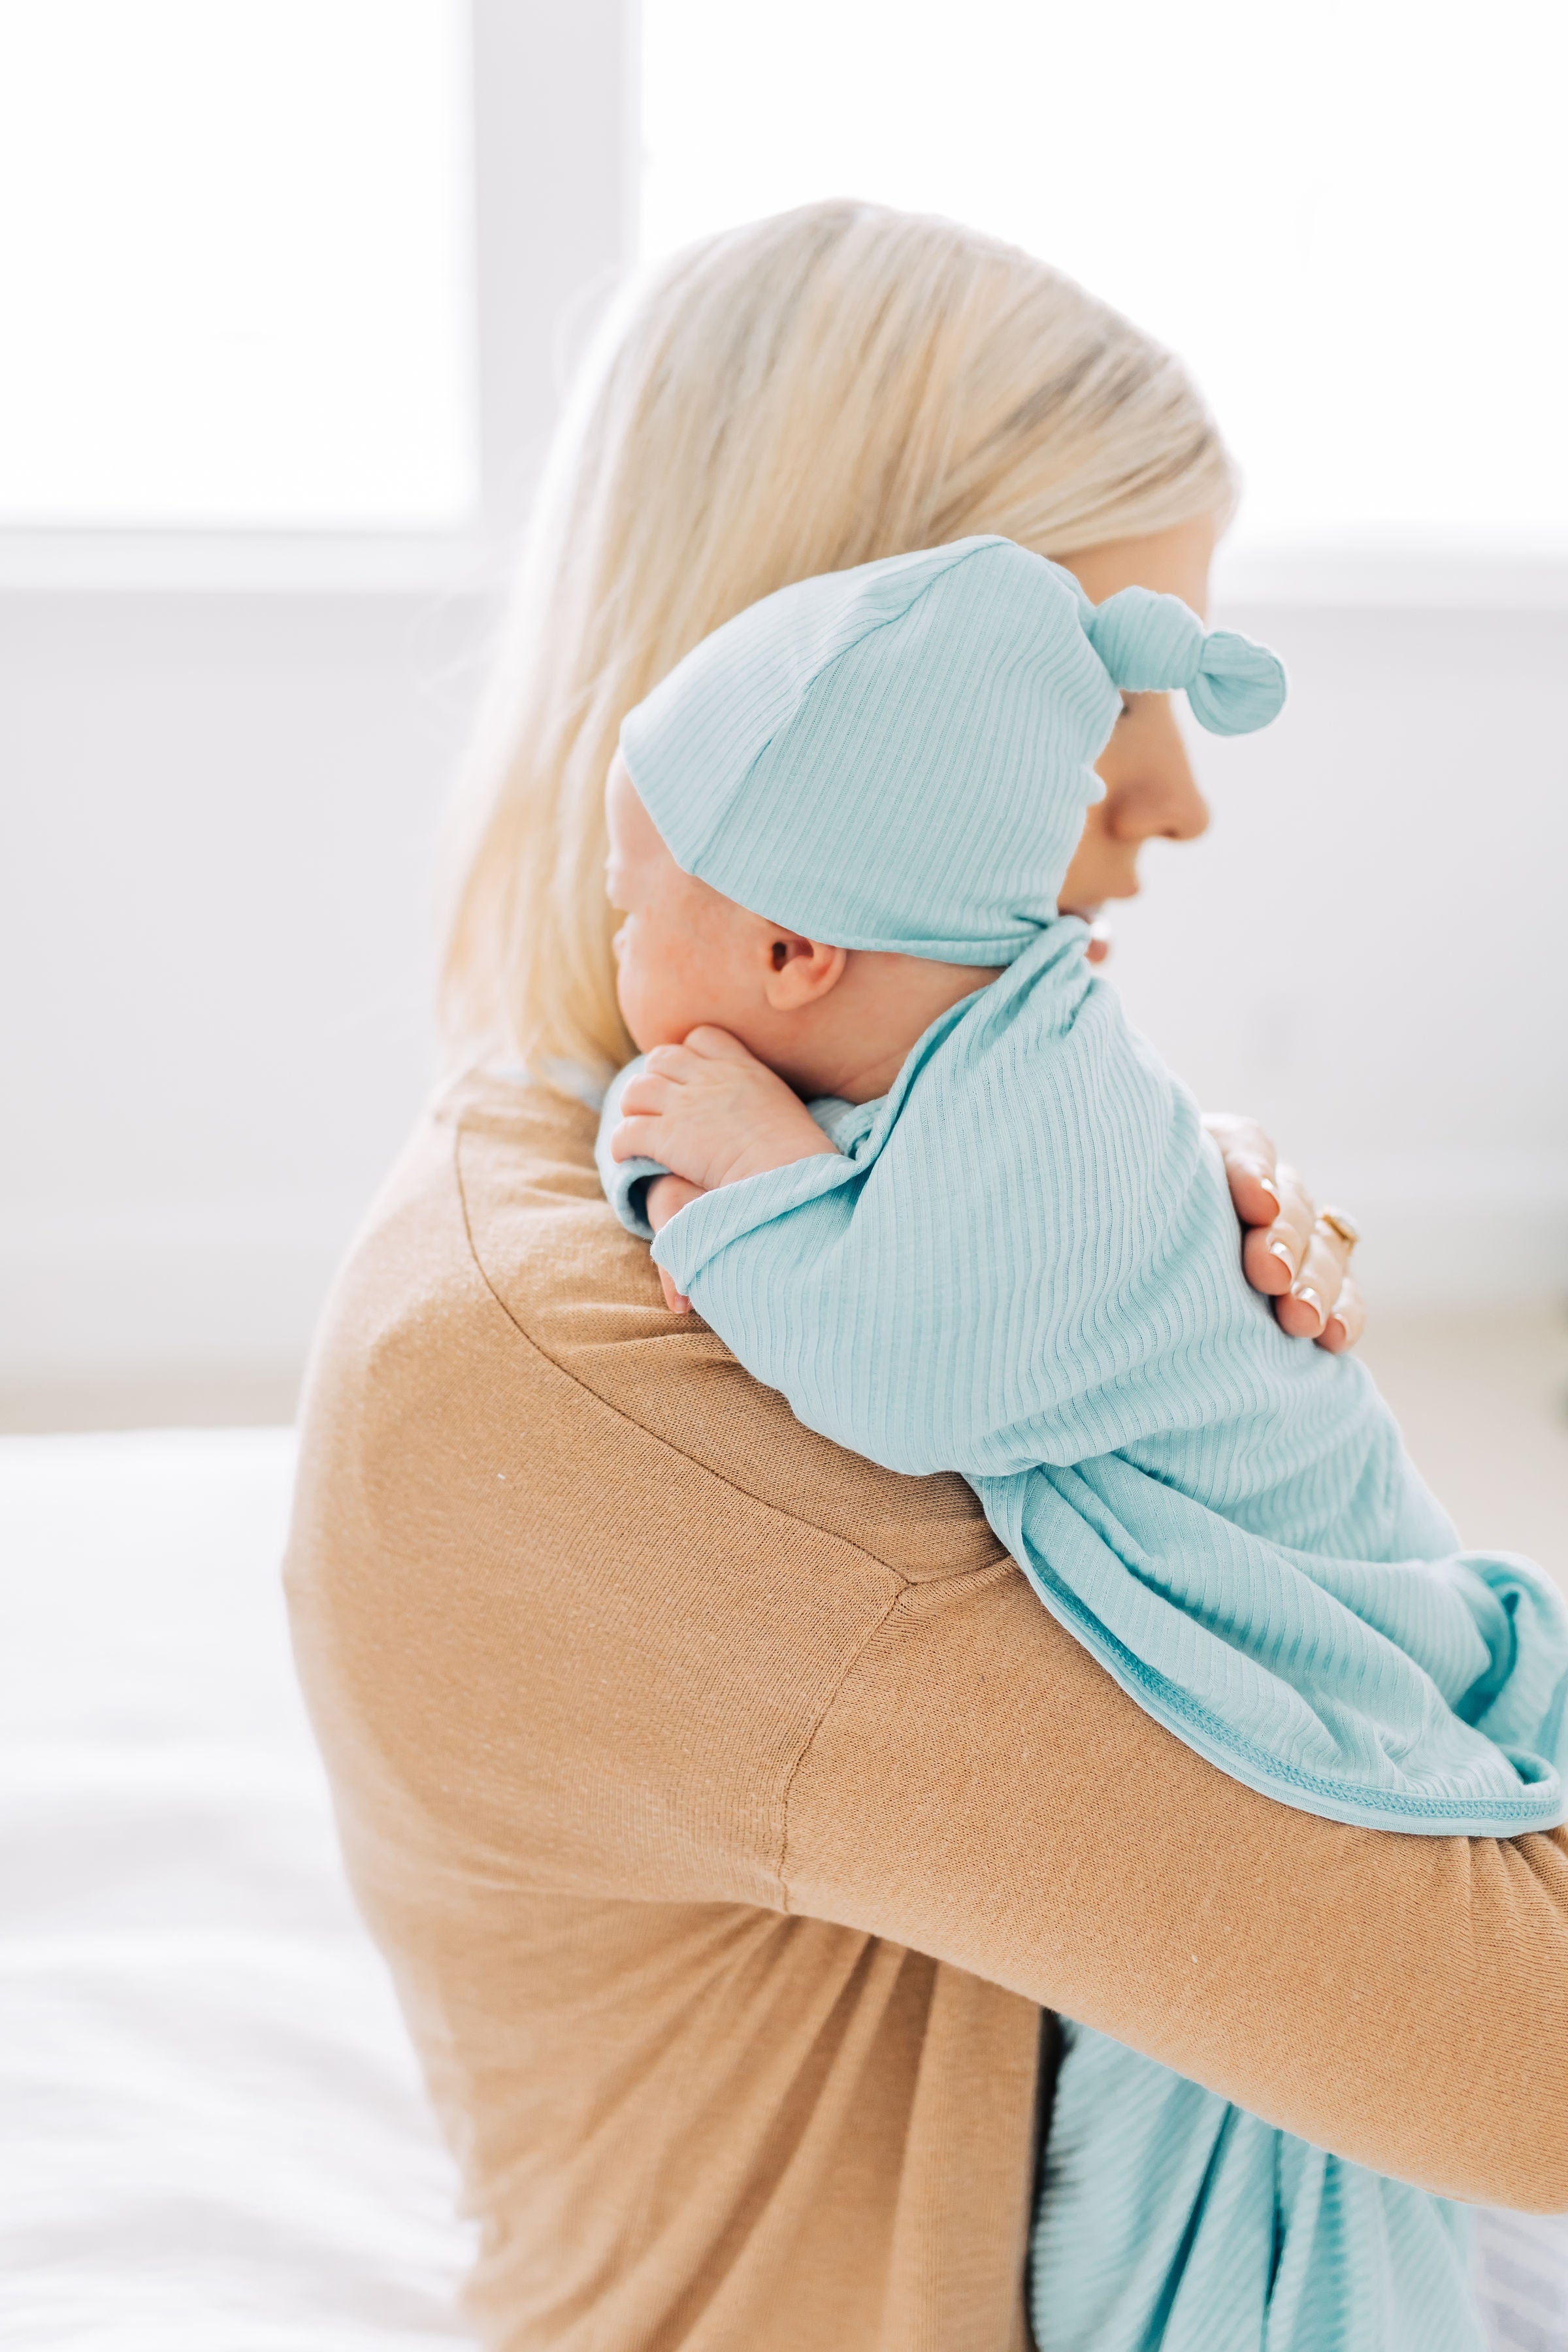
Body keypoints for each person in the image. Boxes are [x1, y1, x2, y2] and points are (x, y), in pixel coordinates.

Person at [284, 203, 1568, 2352]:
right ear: (817, 689)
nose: (1172, 807)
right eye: (1098, 683)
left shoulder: (598, 1169)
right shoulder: (641, 1381)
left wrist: (1170, 1321)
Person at [591, 534, 1568, 2351]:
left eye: (634, 900)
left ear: (794, 952)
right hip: (1286, 1508)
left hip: (1338, 1597)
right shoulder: (980, 1045)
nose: (609, 941)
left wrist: (748, 1194)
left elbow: (894, 1371)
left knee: (1223, 2155)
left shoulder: (1046, 1115)